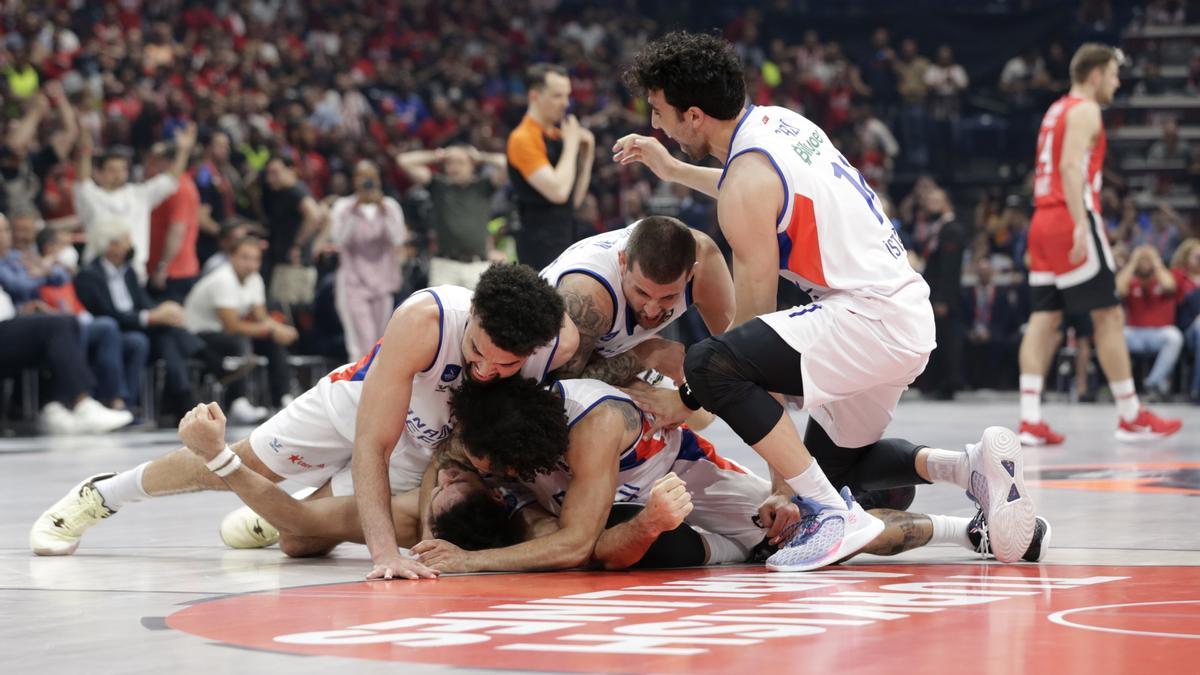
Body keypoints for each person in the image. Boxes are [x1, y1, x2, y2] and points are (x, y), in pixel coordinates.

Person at [612, 31, 1035, 570]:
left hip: (867, 318)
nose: (656, 126)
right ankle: (971, 468)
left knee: (712, 360)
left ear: (694, 116)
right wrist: (672, 171)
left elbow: (749, 331)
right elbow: (752, 188)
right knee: (832, 466)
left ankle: (832, 517)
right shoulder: (778, 123)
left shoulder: (746, 183)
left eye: (659, 112)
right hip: (902, 310)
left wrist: (690, 400)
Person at [29, 264, 578, 583]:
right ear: (474, 315)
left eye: (506, 366)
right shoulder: (426, 319)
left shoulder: (558, 341)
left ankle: (279, 519)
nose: (487, 370)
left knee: (300, 543)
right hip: (354, 408)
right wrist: (385, 556)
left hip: (424, 440)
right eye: (479, 353)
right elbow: (372, 441)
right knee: (234, 466)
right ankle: (104, 494)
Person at [1017, 43, 1181, 445]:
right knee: (1108, 315)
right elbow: (1071, 166)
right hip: (1069, 215)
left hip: (1042, 217)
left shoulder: (1055, 110)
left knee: (1045, 319)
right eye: (1113, 74)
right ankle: (1130, 414)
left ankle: (1029, 418)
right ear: (1095, 75)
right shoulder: (1086, 109)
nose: (1117, 82)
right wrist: (1078, 221)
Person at [541, 215, 734, 384]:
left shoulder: (705, 262)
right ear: (623, 263)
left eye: (669, 297)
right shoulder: (588, 295)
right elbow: (560, 390)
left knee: (694, 410)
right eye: (642, 293)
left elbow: (740, 356)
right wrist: (644, 355)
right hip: (528, 385)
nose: (652, 310)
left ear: (691, 273)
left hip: (600, 361)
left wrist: (686, 401)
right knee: (613, 413)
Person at [74, 220, 203, 423]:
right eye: (125, 241)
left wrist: (164, 310)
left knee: (167, 331)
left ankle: (144, 403)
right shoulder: (89, 275)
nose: (129, 245)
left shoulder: (128, 272)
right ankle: (186, 387)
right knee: (142, 340)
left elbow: (144, 302)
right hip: (111, 331)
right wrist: (151, 317)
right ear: (111, 246)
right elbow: (106, 313)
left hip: (136, 327)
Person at [182, 235, 297, 421]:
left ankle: (282, 398)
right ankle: (238, 401)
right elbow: (232, 326)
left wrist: (281, 330)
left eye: (255, 259)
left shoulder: (255, 279)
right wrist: (272, 330)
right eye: (245, 258)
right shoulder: (223, 280)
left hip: (226, 334)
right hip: (198, 336)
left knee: (273, 343)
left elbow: (262, 318)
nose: (251, 264)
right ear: (232, 257)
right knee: (240, 341)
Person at [74, 123, 197, 280]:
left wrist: (183, 151)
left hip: (134, 270)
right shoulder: (91, 196)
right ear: (99, 172)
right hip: (97, 273)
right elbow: (82, 181)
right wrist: (85, 150)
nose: (118, 174)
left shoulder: (140, 195)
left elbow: (170, 179)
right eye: (112, 169)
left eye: (123, 169)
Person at [506, 64, 595, 270]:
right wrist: (572, 143)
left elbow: (572, 202)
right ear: (534, 96)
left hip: (565, 238)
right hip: (538, 249)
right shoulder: (522, 138)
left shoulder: (557, 136)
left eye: (567, 95)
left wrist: (587, 155)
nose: (565, 104)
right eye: (557, 96)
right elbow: (558, 192)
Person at [327, 160, 408, 359]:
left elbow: (398, 238)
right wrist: (355, 210)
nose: (367, 180)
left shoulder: (390, 206)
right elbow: (339, 240)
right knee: (359, 344)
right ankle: (357, 389)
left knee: (382, 341)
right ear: (354, 180)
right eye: (361, 176)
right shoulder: (343, 206)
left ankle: (377, 388)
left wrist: (383, 210)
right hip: (353, 283)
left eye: (371, 175)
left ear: (378, 179)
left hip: (383, 281)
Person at [396, 145, 507, 289]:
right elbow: (404, 161)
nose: (454, 168)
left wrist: (481, 156)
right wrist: (437, 155)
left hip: (477, 265)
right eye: (450, 163)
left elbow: (507, 164)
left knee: (480, 310)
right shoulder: (438, 185)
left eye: (460, 163)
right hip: (445, 265)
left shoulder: (483, 186)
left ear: (472, 165)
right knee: (440, 309)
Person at [1117, 245, 1185, 400]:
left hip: (1160, 333)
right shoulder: (1132, 281)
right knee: (1116, 336)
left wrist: (1155, 261)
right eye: (1142, 260)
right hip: (1135, 333)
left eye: (1148, 260)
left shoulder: (1162, 277)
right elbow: (1119, 289)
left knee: (1174, 337)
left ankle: (1154, 382)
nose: (1145, 263)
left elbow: (1169, 285)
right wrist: (1133, 262)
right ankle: (1123, 386)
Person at [145, 141, 202, 303]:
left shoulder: (179, 188)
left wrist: (163, 267)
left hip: (173, 272)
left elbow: (177, 229)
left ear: (167, 162)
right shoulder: (172, 187)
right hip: (169, 268)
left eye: (157, 160)